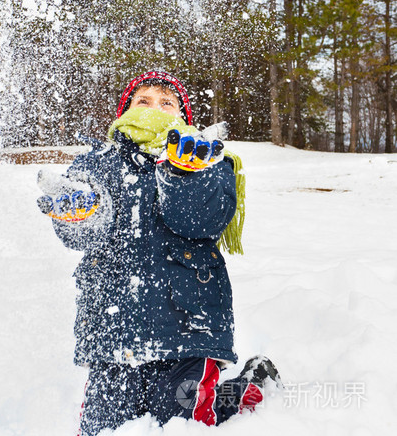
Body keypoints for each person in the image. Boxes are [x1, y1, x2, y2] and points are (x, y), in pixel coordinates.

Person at [37, 70, 281, 435]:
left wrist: (183, 173)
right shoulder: (96, 163)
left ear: (182, 117)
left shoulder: (208, 159)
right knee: (101, 430)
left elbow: (200, 222)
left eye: (167, 103)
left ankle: (251, 383)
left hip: (188, 329)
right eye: (144, 101)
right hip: (112, 329)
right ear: (125, 110)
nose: (155, 109)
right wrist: (79, 216)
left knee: (189, 424)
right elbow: (85, 231)